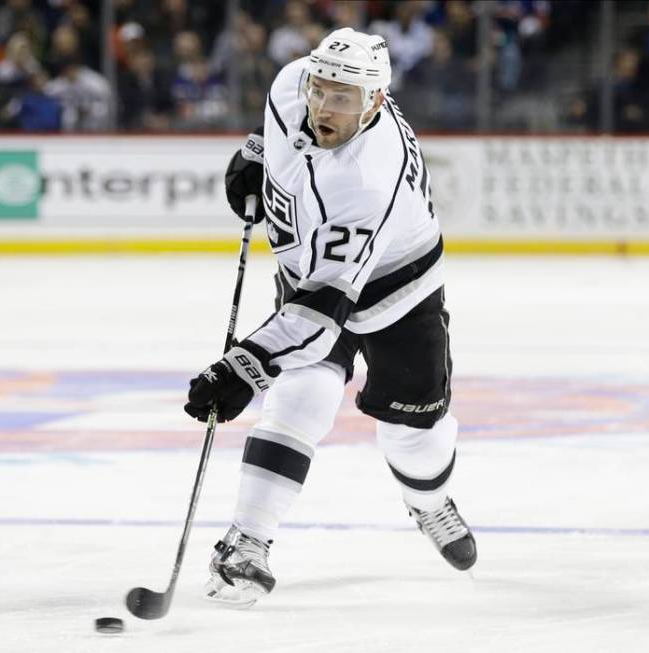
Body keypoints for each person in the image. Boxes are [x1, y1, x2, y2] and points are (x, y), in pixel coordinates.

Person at [183, 27, 477, 608]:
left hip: (399, 290)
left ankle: (427, 500)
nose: (324, 105)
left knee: (413, 435)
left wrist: (241, 368)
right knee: (302, 393)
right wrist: (256, 158)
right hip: (308, 272)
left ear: (374, 102)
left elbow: (321, 313)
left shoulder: (369, 178)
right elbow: (275, 142)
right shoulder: (292, 83)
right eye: (321, 89)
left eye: (343, 98)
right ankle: (247, 542)